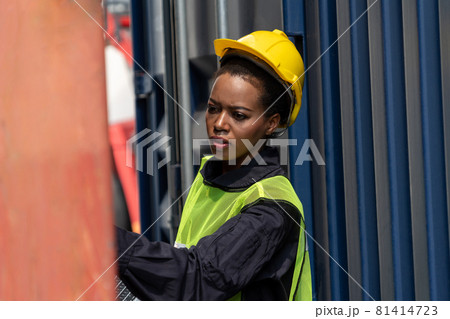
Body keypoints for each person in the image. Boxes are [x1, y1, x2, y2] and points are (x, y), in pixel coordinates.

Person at [116, 29, 312, 301]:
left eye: (238, 115)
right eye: (213, 108)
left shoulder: (271, 208)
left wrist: (111, 243)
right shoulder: (211, 174)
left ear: (271, 123)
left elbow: (199, 279)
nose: (219, 124)